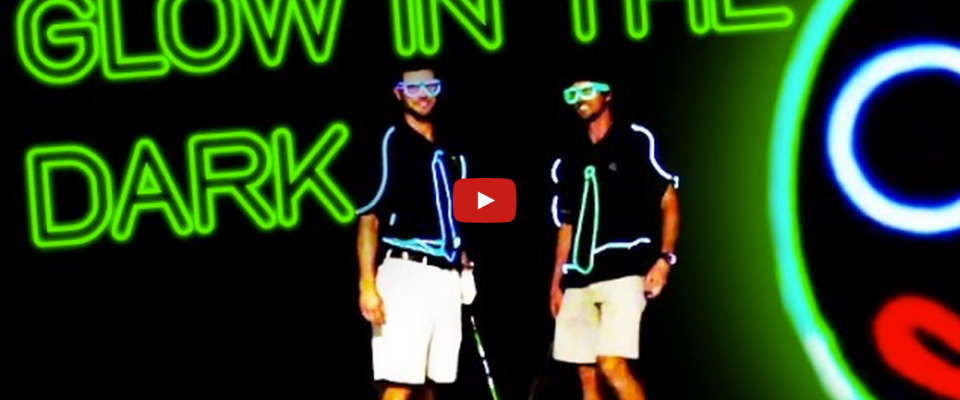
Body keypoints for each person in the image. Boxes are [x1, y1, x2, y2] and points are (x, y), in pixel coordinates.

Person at [549, 78, 680, 400]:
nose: (580, 99)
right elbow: (566, 224)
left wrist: (664, 259)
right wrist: (556, 281)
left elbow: (668, 200)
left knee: (612, 364)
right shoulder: (569, 157)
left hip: (623, 270)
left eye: (587, 91)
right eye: (572, 94)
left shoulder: (634, 140)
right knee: (586, 375)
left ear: (607, 94)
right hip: (578, 277)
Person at [355, 64, 474, 400]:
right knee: (400, 382)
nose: (423, 95)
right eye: (413, 88)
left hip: (446, 275)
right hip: (406, 271)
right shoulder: (391, 142)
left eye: (430, 87)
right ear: (399, 93)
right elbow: (369, 218)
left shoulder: (451, 149)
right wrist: (367, 285)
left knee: (431, 383)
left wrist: (463, 261)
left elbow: (456, 215)